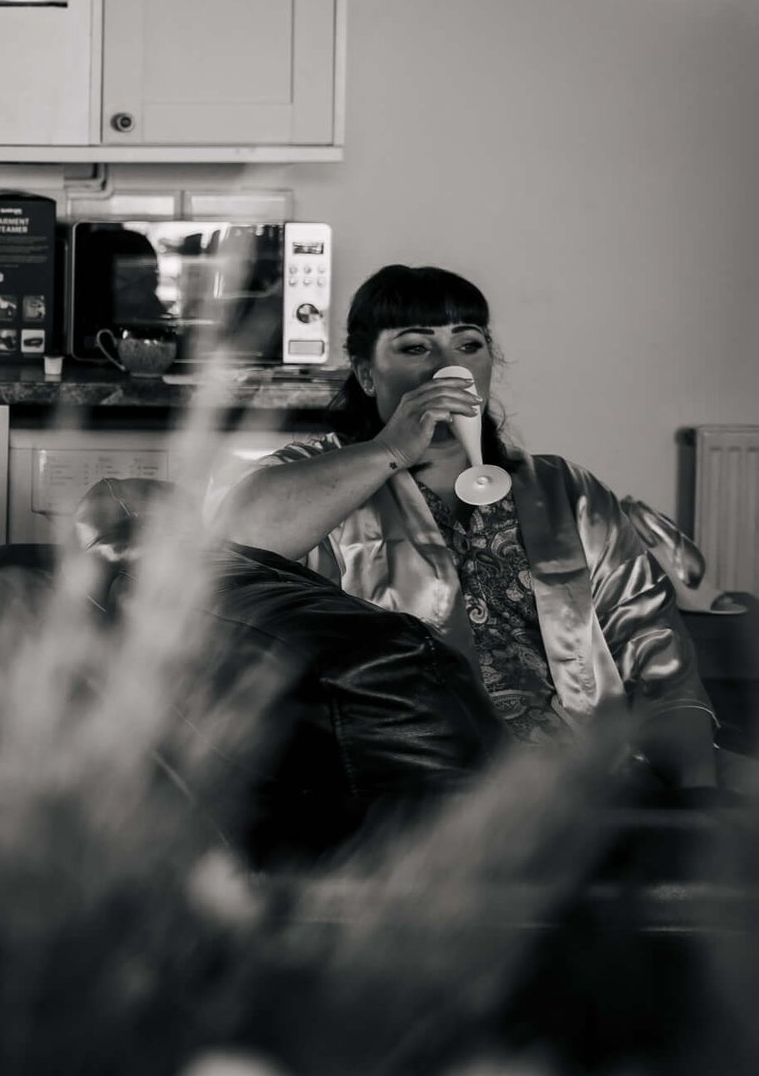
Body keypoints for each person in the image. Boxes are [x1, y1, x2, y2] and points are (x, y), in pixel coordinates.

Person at [214, 264, 716, 788]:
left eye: (468, 345)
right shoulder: (320, 475)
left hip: (591, 778)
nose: (447, 368)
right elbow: (237, 542)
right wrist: (390, 449)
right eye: (415, 348)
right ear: (366, 375)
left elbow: (659, 661)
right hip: (419, 789)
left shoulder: (567, 490)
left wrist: (697, 797)